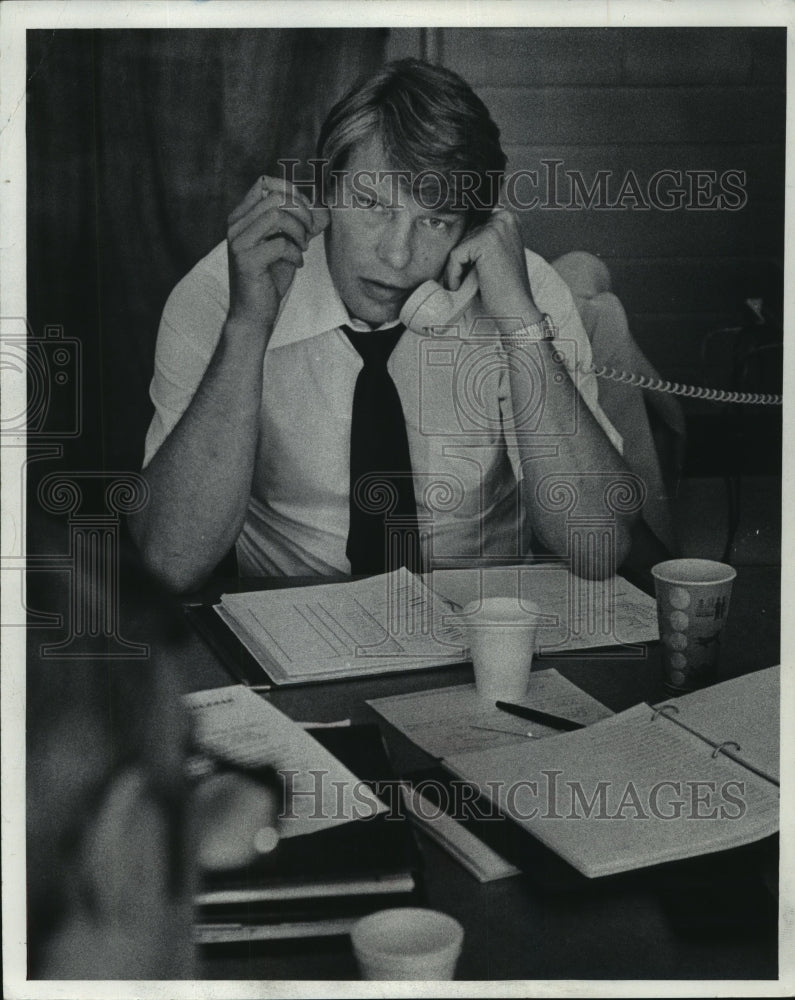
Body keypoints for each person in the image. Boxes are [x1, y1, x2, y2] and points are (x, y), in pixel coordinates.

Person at [129, 58, 641, 593]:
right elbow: (169, 562)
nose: (398, 256)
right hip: (294, 618)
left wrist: (520, 326)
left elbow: (599, 546)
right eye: (373, 204)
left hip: (482, 619)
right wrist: (248, 328)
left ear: (475, 227)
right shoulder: (222, 291)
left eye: (436, 220)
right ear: (326, 193)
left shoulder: (522, 292)